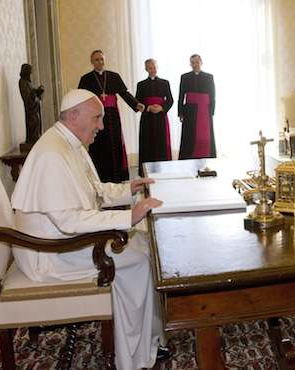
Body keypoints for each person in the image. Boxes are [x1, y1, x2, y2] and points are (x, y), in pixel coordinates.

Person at [10, 89, 168, 369]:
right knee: (141, 260)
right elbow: (68, 221)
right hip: (50, 252)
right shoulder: (51, 154)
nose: (101, 126)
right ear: (74, 115)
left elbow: (92, 191)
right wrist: (128, 217)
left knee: (145, 243)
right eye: (97, 118)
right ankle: (134, 355)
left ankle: (150, 337)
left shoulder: (67, 143)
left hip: (62, 240)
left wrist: (128, 189)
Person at [78, 50, 145, 182]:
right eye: (97, 60)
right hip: (95, 117)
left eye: (102, 59)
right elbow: (82, 98)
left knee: (115, 145)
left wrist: (136, 104)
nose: (100, 62)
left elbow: (124, 93)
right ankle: (100, 177)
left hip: (112, 117)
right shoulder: (86, 79)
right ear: (92, 62)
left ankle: (117, 177)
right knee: (99, 145)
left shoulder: (114, 76)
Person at [136, 58, 174, 176]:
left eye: (154, 67)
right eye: (150, 68)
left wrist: (162, 108)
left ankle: (163, 171)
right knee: (147, 143)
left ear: (157, 68)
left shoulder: (165, 82)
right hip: (147, 118)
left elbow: (170, 100)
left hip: (160, 118)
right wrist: (148, 107)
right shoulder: (141, 84)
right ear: (146, 69)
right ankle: (146, 172)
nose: (152, 70)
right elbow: (138, 101)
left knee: (161, 143)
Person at [178, 54, 216, 159]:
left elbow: (212, 95)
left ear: (201, 62)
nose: (195, 65)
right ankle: (188, 159)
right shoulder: (184, 77)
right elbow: (181, 96)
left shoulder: (209, 77)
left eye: (197, 62)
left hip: (205, 110)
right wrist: (180, 112)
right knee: (189, 136)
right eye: (193, 62)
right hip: (190, 111)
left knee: (206, 137)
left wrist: (211, 112)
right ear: (190, 64)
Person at [18, 63, 44, 149]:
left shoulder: (28, 82)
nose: (30, 74)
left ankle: (35, 137)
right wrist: (35, 94)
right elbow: (27, 97)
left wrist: (38, 91)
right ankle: (32, 138)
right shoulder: (22, 82)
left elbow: (32, 92)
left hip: (34, 108)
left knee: (37, 123)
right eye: (29, 72)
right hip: (30, 110)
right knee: (33, 124)